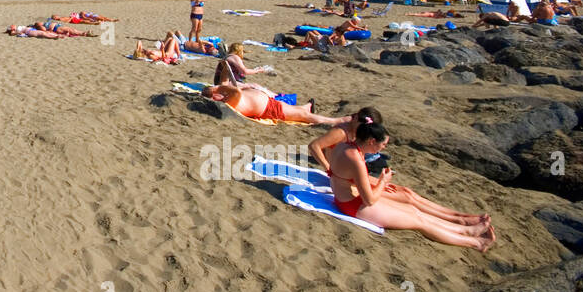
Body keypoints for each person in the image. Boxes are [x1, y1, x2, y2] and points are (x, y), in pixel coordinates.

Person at [324, 118, 495, 250]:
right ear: (371, 142)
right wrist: (382, 182)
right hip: (353, 205)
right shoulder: (356, 159)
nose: (382, 149)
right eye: (382, 145)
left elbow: (341, 174)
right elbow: (369, 200)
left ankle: (463, 227)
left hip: (348, 198)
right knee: (418, 222)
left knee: (413, 210)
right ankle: (474, 242)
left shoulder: (344, 146)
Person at [309, 109, 491, 227]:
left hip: (348, 177)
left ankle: (458, 217)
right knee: (408, 202)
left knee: (406, 193)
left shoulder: (355, 140)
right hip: (345, 179)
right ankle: (459, 222)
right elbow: (314, 146)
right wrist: (328, 168)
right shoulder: (341, 133)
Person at [204, 84, 338, 125]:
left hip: (270, 103)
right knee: (302, 115)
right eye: (216, 90)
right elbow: (237, 91)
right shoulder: (228, 101)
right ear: (215, 96)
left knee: (296, 110)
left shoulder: (227, 98)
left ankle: (307, 106)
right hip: (270, 109)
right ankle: (335, 121)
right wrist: (221, 87)